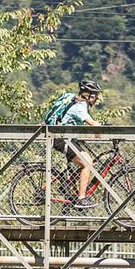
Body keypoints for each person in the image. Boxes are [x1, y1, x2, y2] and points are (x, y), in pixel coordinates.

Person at [43, 81, 101, 210]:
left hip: (63, 137)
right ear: (89, 96)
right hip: (61, 139)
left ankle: (66, 185)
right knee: (87, 163)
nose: (96, 100)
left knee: (87, 162)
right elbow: (92, 123)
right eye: (95, 96)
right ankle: (81, 199)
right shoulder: (80, 106)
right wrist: (103, 130)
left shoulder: (73, 100)